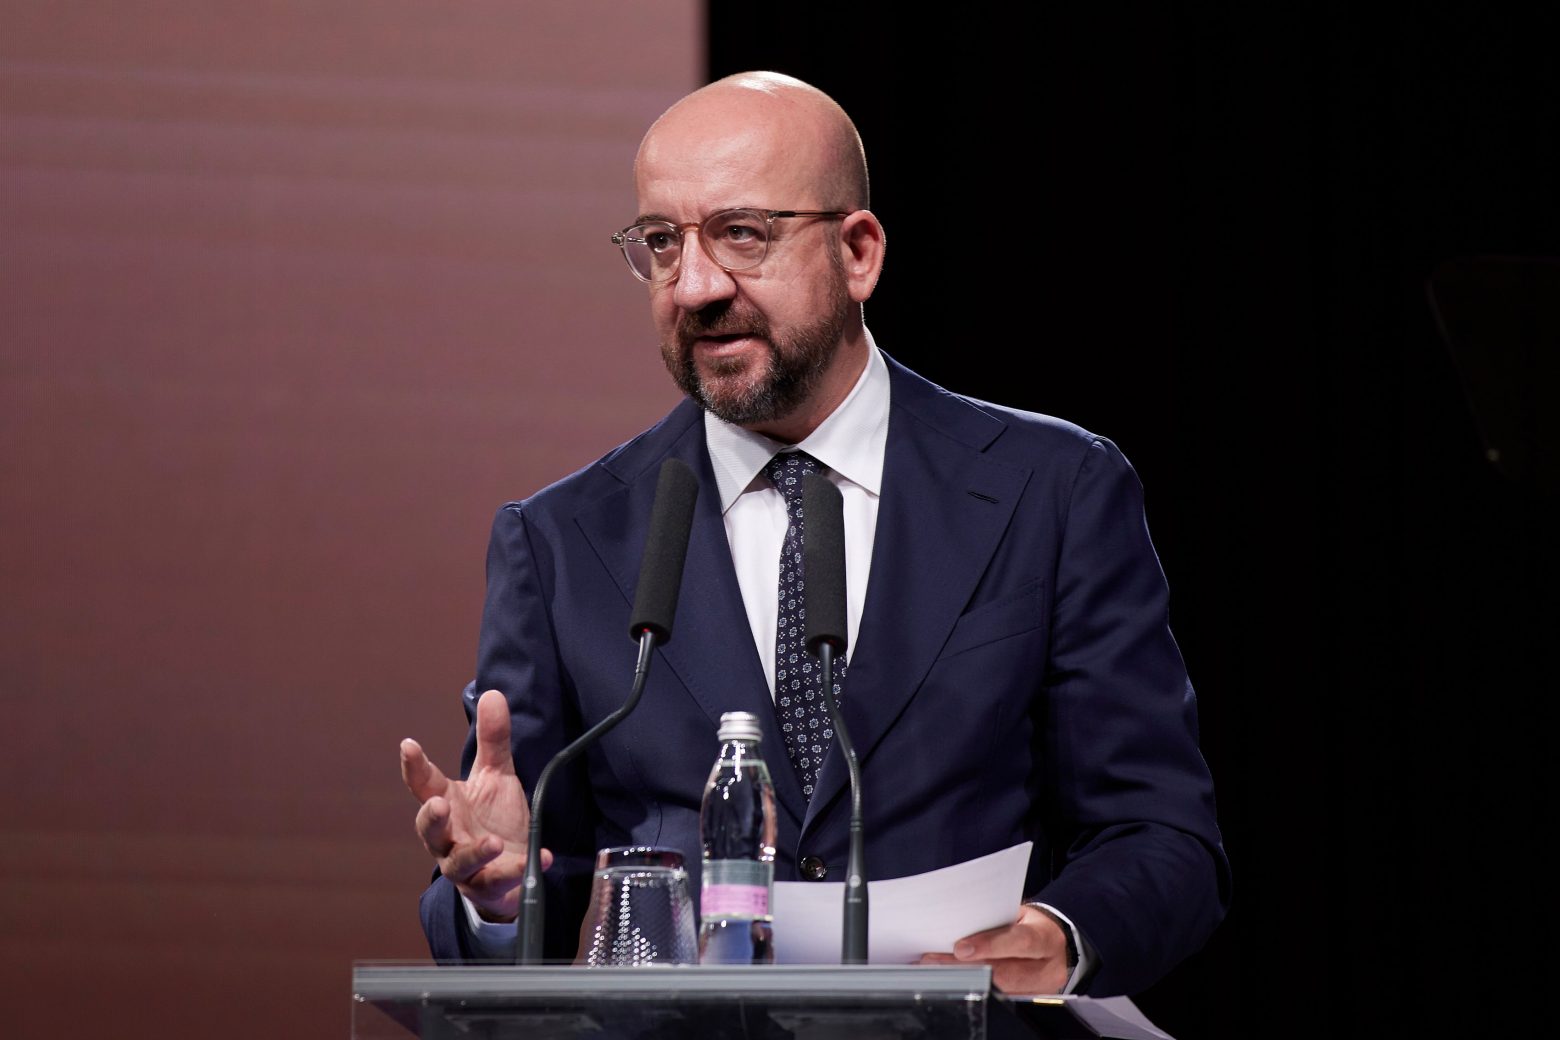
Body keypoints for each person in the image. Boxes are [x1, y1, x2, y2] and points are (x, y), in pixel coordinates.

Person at [400, 71, 1229, 996]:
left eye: (742, 234)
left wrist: (1062, 935)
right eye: (662, 243)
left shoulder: (1053, 490)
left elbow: (1163, 837)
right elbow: (519, 895)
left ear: (859, 253)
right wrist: (497, 898)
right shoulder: (562, 542)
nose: (695, 286)